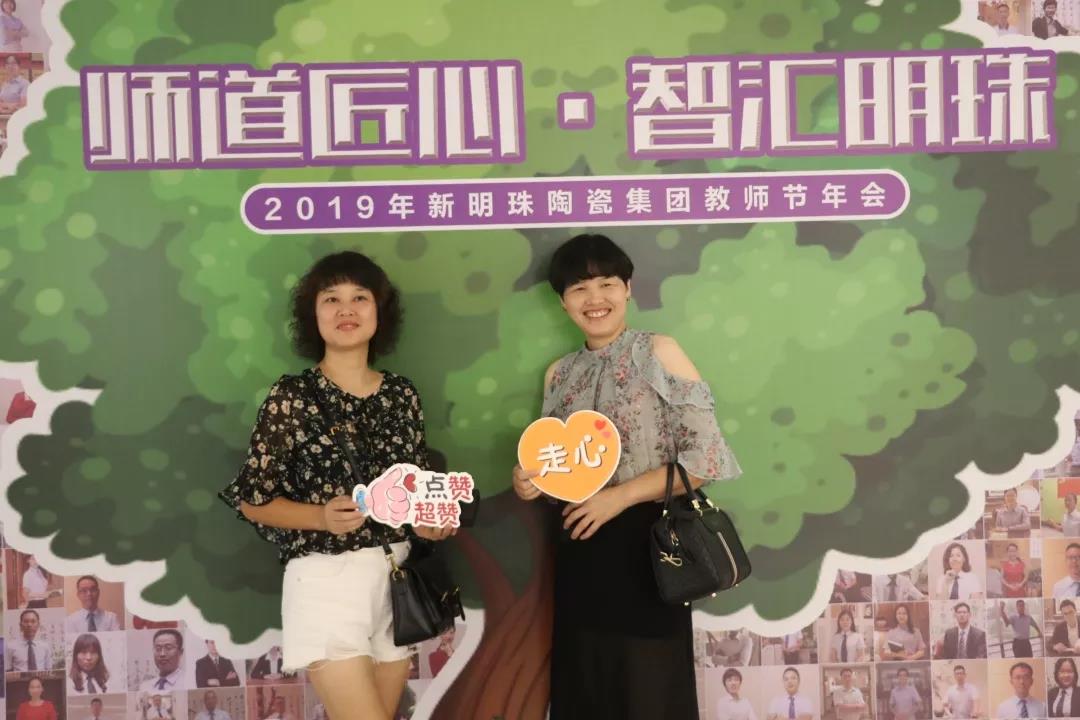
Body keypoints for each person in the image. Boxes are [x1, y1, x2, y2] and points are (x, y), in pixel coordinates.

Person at [510, 234, 742, 720]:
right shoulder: (559, 374)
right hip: (579, 547)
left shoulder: (659, 351)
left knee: (648, 690)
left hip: (652, 548)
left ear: (628, 288)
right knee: (586, 686)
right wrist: (532, 482)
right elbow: (560, 470)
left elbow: (706, 460)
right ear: (562, 301)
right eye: (579, 288)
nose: (594, 299)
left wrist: (619, 498)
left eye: (606, 284)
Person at [220, 252, 454, 720]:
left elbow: (414, 493)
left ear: (380, 312)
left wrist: (431, 524)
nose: (346, 309)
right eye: (331, 299)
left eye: (360, 298)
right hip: (325, 580)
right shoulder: (291, 396)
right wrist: (320, 517)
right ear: (313, 314)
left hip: (397, 578)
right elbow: (251, 500)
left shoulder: (402, 394)